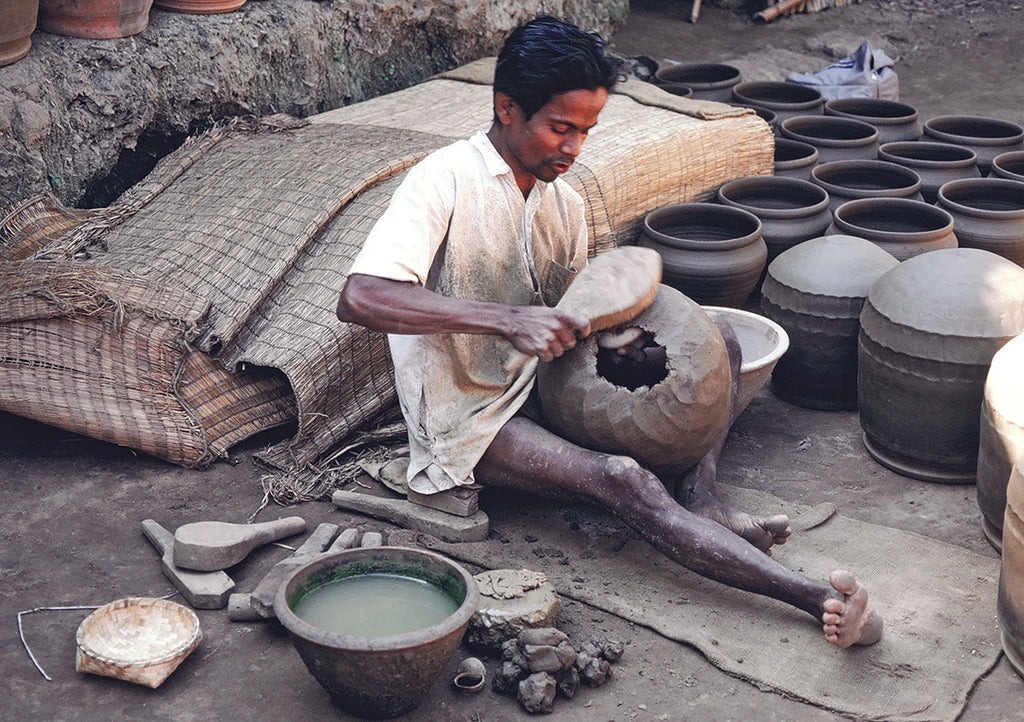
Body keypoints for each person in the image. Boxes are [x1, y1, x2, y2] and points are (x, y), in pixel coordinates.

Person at [336, 15, 882, 649]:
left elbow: (584, 301)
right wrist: (509, 320)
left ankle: (701, 497)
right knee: (624, 478)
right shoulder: (444, 180)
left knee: (719, 344)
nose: (573, 148)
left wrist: (619, 338)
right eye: (560, 128)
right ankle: (815, 597)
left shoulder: (562, 200)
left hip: (546, 384)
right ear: (506, 108)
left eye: (585, 132)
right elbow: (362, 297)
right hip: (470, 415)